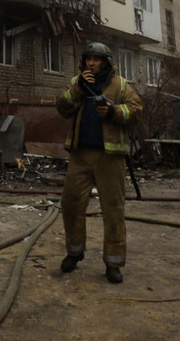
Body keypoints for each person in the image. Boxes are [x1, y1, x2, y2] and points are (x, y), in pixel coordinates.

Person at [56, 41, 143, 284]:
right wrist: (78, 90)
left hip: (110, 158)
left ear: (106, 62)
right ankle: (74, 253)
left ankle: (113, 263)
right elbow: (62, 108)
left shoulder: (120, 84)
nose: (91, 63)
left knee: (113, 209)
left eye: (96, 59)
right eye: (88, 59)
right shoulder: (77, 82)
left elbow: (136, 110)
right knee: (71, 203)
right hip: (80, 156)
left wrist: (114, 111)